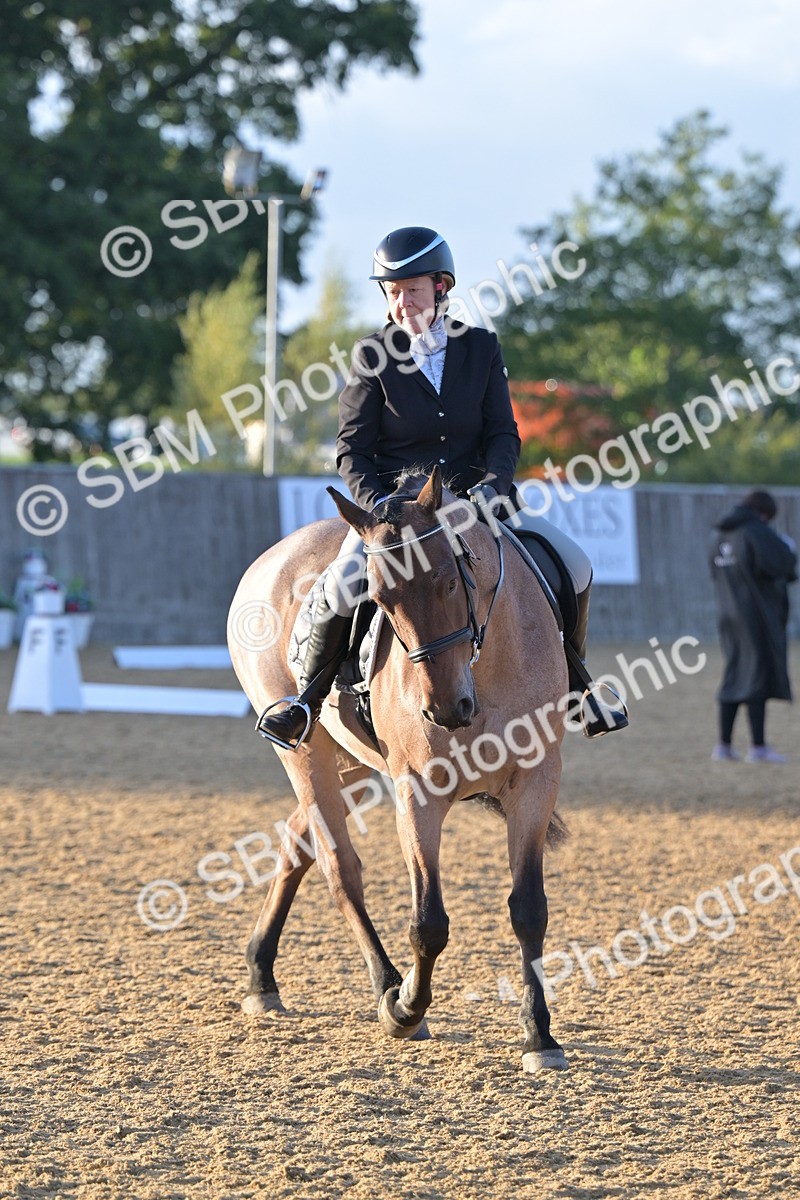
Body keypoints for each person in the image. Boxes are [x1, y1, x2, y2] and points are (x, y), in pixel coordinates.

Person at [257, 226, 628, 748]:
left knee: (573, 563)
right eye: (392, 291)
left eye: (412, 288)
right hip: (397, 515)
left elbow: (503, 430)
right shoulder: (371, 355)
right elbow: (352, 451)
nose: (402, 301)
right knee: (341, 585)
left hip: (477, 504)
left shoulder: (479, 347)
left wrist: (496, 485)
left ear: (441, 287)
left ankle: (577, 687)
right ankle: (306, 702)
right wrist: (379, 509)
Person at [709, 489, 797, 763]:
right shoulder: (756, 531)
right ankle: (758, 747)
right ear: (764, 514)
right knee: (756, 676)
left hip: (728, 616)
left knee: (735, 675)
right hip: (755, 616)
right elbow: (784, 564)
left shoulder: (718, 535)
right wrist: (788, 548)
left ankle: (723, 746)